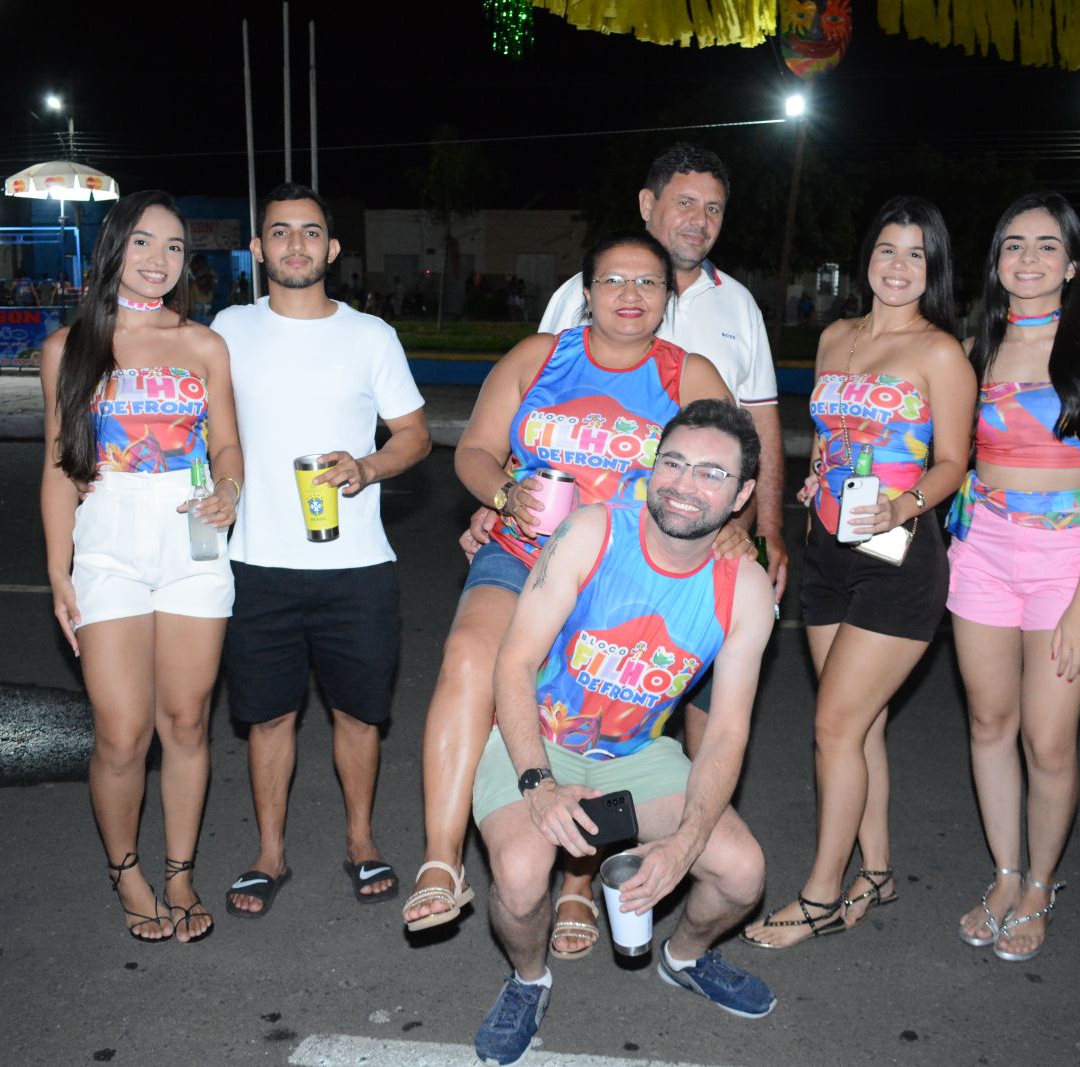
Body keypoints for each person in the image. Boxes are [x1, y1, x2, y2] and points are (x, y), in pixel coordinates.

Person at [403, 232, 733, 949]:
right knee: (468, 657)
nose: (630, 294)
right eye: (613, 280)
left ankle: (580, 882)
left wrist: (737, 536)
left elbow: (727, 468)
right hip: (523, 550)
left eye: (648, 282)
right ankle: (441, 859)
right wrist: (503, 495)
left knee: (591, 712)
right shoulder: (539, 357)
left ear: (668, 297)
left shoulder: (690, 374)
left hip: (621, 573)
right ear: (586, 292)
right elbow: (474, 449)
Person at [471, 400, 777, 1065]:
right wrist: (538, 785)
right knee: (520, 875)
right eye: (673, 463)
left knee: (741, 872)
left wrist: (683, 845)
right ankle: (528, 979)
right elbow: (515, 662)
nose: (684, 484)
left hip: (636, 755)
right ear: (651, 468)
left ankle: (685, 957)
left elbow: (727, 732)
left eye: (711, 473)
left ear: (742, 495)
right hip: (540, 739)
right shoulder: (593, 531)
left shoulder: (747, 590)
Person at [739, 197, 974, 950]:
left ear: (934, 269)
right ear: (866, 257)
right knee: (861, 725)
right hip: (828, 551)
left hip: (899, 557)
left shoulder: (941, 352)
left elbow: (954, 461)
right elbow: (829, 437)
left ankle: (819, 895)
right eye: (887, 250)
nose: (898, 266)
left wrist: (901, 505)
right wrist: (817, 482)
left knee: (834, 726)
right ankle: (876, 871)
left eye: (916, 254)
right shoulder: (835, 337)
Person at [213, 183, 431, 917]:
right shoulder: (229, 329)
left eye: (310, 232)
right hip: (258, 563)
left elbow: (415, 435)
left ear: (332, 249)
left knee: (358, 715)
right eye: (280, 232)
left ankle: (361, 841)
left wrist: (366, 467)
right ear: (258, 249)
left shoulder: (371, 336)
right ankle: (269, 853)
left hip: (356, 567)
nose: (296, 245)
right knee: (268, 717)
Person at [39, 190, 243, 943]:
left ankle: (180, 872)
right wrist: (58, 571)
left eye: (175, 247)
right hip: (108, 544)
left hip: (192, 541)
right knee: (123, 732)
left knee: (186, 721)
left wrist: (230, 488)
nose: (160, 260)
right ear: (114, 248)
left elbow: (227, 443)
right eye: (144, 243)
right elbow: (58, 466)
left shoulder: (204, 345)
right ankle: (125, 869)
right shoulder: (68, 349)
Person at [539, 143, 787, 758]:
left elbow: (760, 428)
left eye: (714, 208)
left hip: (698, 543)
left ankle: (689, 812)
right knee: (572, 703)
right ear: (648, 204)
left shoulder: (738, 304)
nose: (700, 220)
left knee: (707, 704)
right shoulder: (580, 294)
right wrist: (500, 500)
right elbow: (537, 409)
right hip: (591, 551)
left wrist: (763, 529)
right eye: (685, 203)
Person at [948, 192, 1080, 962]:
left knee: (1049, 741)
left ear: (1071, 266)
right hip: (983, 551)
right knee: (988, 722)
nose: (1028, 259)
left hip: (1068, 563)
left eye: (1046, 246)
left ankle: (1039, 885)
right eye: (1014, 245)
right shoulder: (974, 351)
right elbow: (934, 449)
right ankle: (1004, 873)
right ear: (997, 262)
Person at [190, 255, 217, 322]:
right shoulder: (212, 282)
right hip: (207, 308)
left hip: (196, 310)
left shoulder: (193, 285)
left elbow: (191, 306)